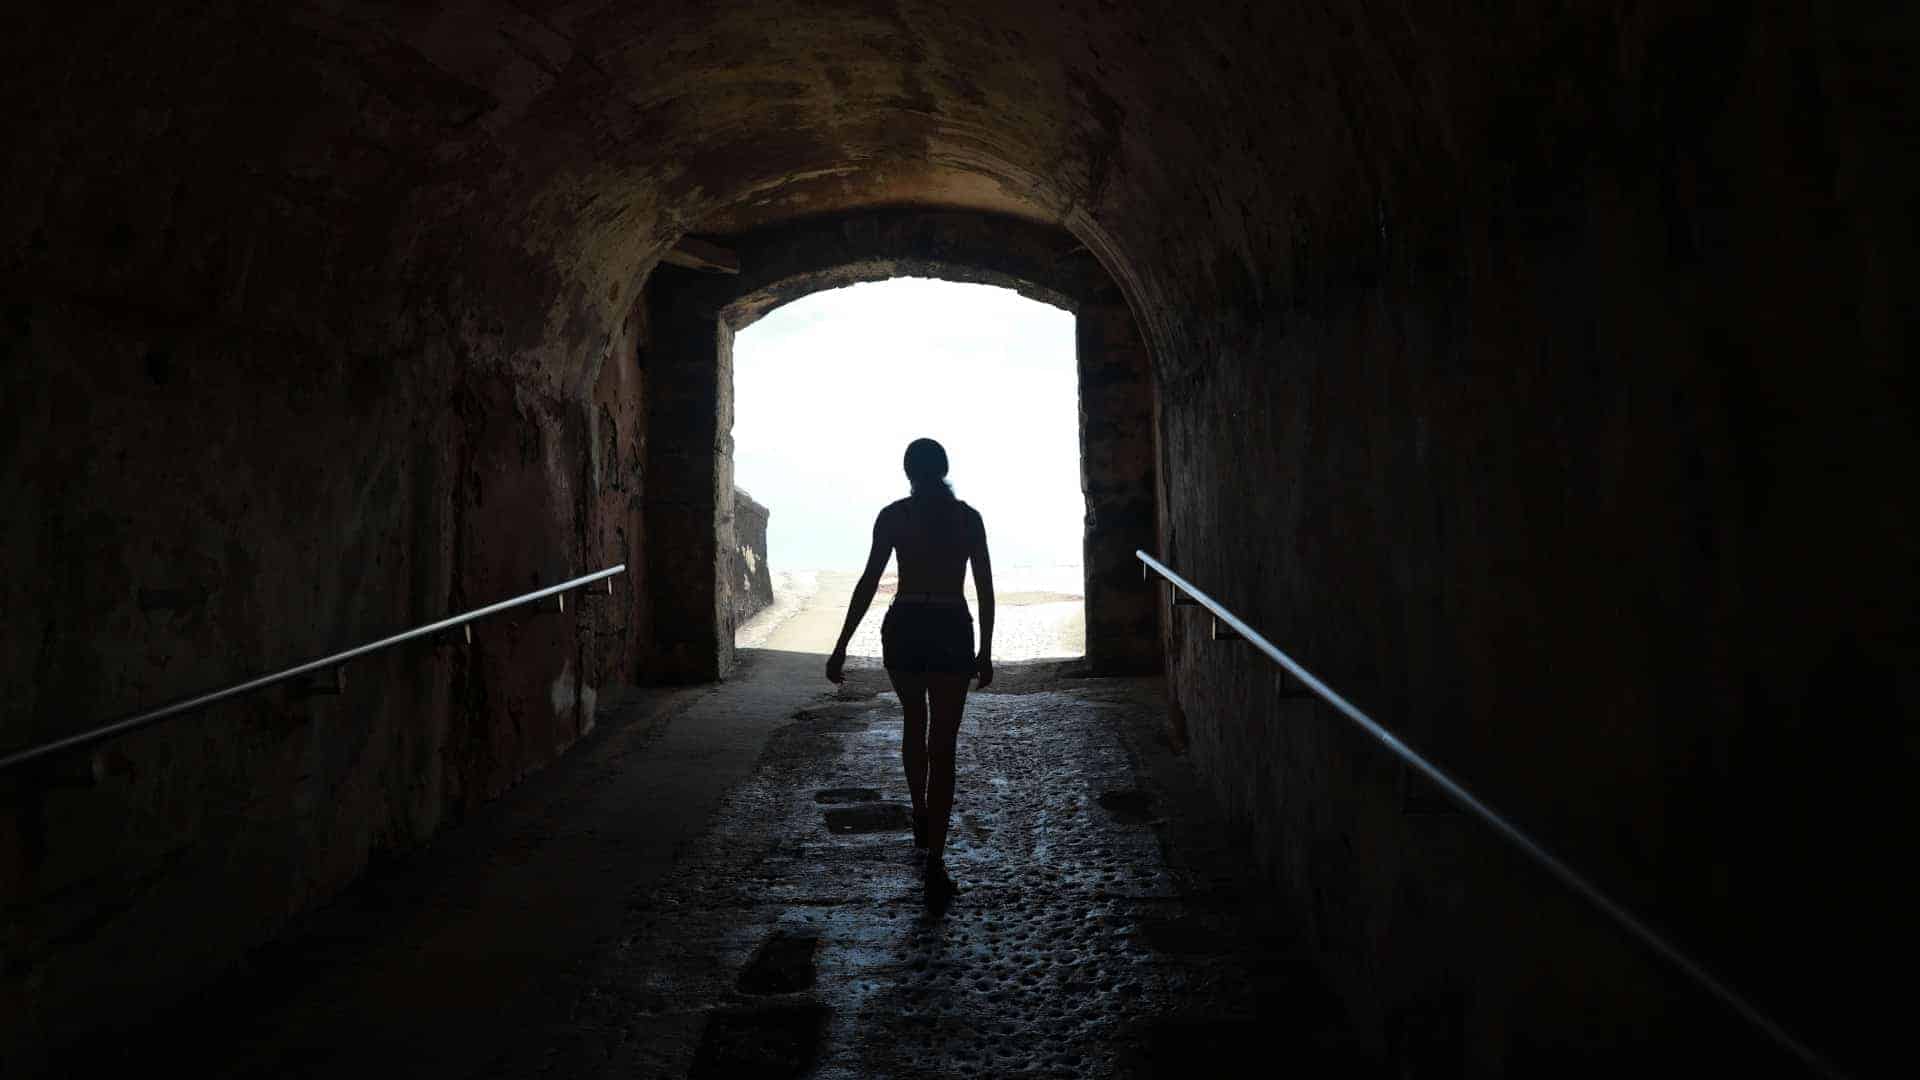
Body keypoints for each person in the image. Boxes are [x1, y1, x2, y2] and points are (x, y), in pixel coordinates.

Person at [826, 438, 994, 899]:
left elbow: (869, 582)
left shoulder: (894, 517)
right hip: (950, 624)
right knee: (944, 745)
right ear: (943, 469)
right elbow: (984, 588)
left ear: (908, 472)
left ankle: (919, 809)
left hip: (905, 625)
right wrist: (986, 650)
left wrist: (840, 646)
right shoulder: (968, 519)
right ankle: (937, 856)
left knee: (913, 720)